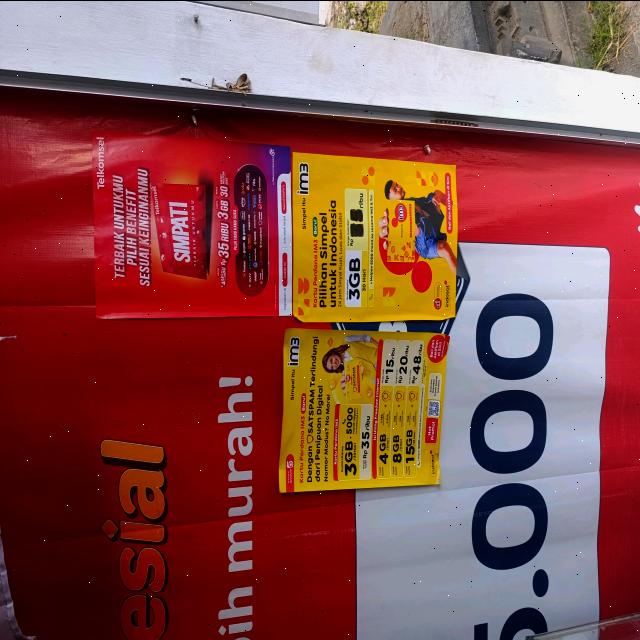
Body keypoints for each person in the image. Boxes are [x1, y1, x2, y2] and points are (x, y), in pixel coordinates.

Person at [382, 179, 457, 274]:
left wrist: (434, 198)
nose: (399, 188)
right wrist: (392, 241)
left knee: (436, 193)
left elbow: (426, 201)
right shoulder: (393, 217)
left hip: (432, 226)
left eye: (397, 185)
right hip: (425, 244)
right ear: (391, 200)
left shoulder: (412, 201)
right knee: (444, 248)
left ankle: (455, 205)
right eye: (395, 190)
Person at [322, 335, 379, 402]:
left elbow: (365, 337)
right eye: (332, 367)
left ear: (332, 353)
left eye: (331, 360)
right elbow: (356, 386)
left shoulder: (347, 341)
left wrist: (379, 346)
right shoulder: (346, 371)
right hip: (377, 375)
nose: (334, 364)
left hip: (379, 356)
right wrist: (348, 386)